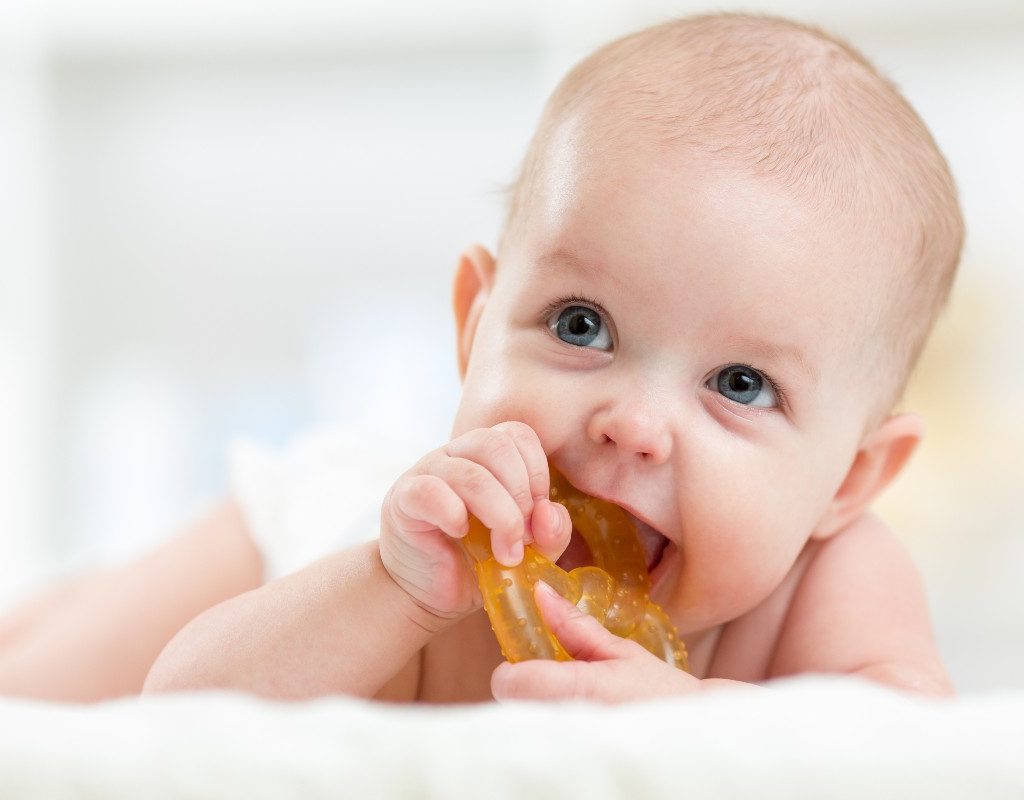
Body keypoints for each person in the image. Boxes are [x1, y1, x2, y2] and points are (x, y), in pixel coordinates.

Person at [3, 12, 961, 703]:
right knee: (37, 690)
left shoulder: (828, 583)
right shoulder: (422, 555)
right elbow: (178, 716)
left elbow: (909, 754)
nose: (631, 424)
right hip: (293, 543)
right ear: (475, 322)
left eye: (740, 385)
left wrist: (701, 726)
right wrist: (389, 584)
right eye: (582, 326)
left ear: (852, 476)